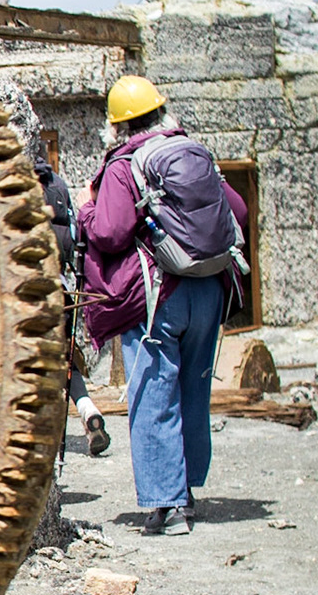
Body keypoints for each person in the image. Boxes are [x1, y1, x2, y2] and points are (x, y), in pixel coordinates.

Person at [77, 75, 248, 537]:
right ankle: (186, 492)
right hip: (209, 290)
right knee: (193, 390)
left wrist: (85, 211)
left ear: (116, 126)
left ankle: (166, 506)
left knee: (153, 395)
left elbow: (111, 231)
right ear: (160, 112)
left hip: (160, 296)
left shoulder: (123, 164)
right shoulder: (193, 151)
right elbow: (238, 210)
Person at [37, 148, 112, 458]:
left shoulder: (12, 186)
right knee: (66, 362)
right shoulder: (59, 185)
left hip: (30, 295)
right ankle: (88, 411)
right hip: (63, 290)